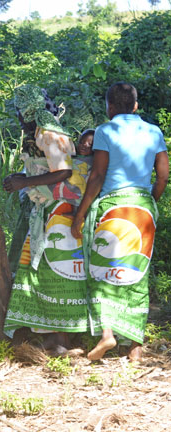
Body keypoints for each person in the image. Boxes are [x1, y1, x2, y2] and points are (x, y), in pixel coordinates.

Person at [71, 82, 169, 362]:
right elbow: (162, 175)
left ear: (110, 107)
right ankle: (135, 346)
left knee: (103, 271)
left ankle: (107, 334)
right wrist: (150, 201)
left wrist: (80, 215)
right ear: (136, 106)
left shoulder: (105, 130)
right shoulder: (153, 131)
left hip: (113, 207)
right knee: (137, 274)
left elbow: (98, 176)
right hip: (142, 208)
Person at [3, 84, 89, 353]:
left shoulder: (50, 133)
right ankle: (47, 333)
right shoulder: (41, 133)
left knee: (55, 270)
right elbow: (46, 167)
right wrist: (22, 179)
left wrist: (24, 182)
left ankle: (60, 338)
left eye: (19, 112)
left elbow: (62, 172)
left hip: (58, 214)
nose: (18, 118)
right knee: (40, 269)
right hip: (48, 210)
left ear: (28, 111)